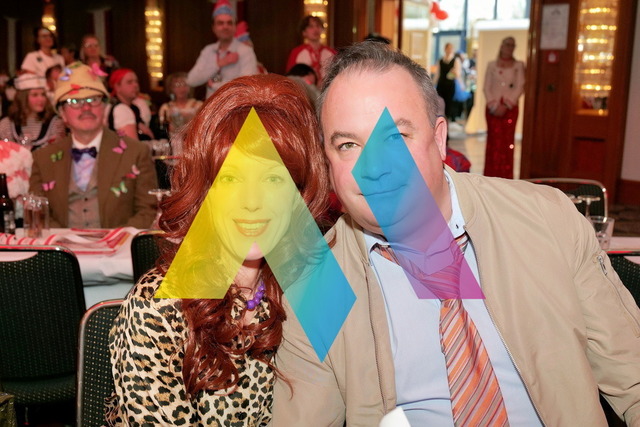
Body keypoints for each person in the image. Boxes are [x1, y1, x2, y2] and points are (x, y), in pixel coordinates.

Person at [271, 41, 640, 425]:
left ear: (439, 138)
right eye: (348, 145)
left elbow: (633, 376)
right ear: (328, 161)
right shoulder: (319, 284)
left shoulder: (544, 218)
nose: (374, 168)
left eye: (395, 137)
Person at [105, 74, 330, 424]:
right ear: (204, 190)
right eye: (231, 178)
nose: (252, 202)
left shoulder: (309, 287)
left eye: (273, 179)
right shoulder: (160, 306)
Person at [29, 63, 157, 229]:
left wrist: (116, 239)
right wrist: (64, 239)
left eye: (93, 99)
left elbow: (148, 210)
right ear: (63, 114)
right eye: (75, 101)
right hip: (62, 244)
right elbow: (37, 212)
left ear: (104, 107)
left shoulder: (136, 152)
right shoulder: (42, 158)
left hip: (120, 244)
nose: (86, 107)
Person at [186, 0, 258, 99]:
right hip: (211, 106)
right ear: (214, 28)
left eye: (229, 23)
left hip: (235, 106)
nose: (225, 27)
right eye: (220, 23)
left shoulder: (245, 51)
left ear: (235, 27)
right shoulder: (208, 50)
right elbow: (191, 80)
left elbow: (246, 85)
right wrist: (220, 64)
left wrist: (214, 85)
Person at [483, 36, 525, 179]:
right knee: (493, 142)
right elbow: (486, 87)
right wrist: (494, 105)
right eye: (507, 44)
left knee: (507, 143)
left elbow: (520, 86)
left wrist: (506, 105)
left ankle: (505, 175)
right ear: (501, 46)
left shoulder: (518, 66)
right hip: (492, 109)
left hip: (509, 110)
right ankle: (490, 175)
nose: (509, 48)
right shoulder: (492, 65)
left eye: (512, 45)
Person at [0, 73, 65, 151]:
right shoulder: (7, 124)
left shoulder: (55, 123)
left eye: (43, 94)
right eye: (35, 95)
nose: (41, 99)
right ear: (22, 98)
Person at [286, 15, 336, 87]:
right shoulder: (296, 53)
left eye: (318, 26)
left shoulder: (331, 52)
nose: (315, 29)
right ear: (304, 32)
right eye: (311, 26)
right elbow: (290, 78)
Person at [105, 68, 154, 141]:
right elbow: (132, 144)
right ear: (117, 87)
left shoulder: (134, 108)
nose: (135, 85)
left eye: (136, 81)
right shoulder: (118, 109)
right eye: (129, 82)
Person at [158, 72, 203, 142]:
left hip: (194, 141)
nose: (181, 88)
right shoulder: (166, 108)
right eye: (177, 85)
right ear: (171, 88)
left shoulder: (198, 105)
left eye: (184, 84)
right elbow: (163, 128)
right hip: (172, 142)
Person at [434, 42, 462, 122]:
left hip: (450, 86)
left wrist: (454, 73)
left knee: (448, 105)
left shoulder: (455, 60)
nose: (449, 50)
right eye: (447, 48)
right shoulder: (440, 60)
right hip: (441, 85)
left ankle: (447, 124)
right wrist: (433, 84)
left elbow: (458, 74)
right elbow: (437, 74)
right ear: (445, 49)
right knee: (440, 104)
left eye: (450, 48)